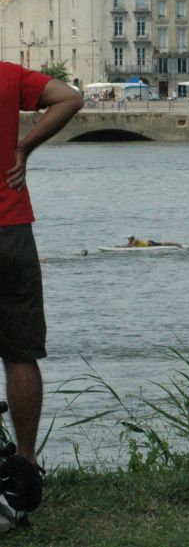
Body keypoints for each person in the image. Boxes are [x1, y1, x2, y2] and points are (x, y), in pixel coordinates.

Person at [1, 62, 83, 505]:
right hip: (10, 230)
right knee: (20, 353)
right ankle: (26, 463)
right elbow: (71, 97)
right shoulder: (7, 75)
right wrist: (25, 147)